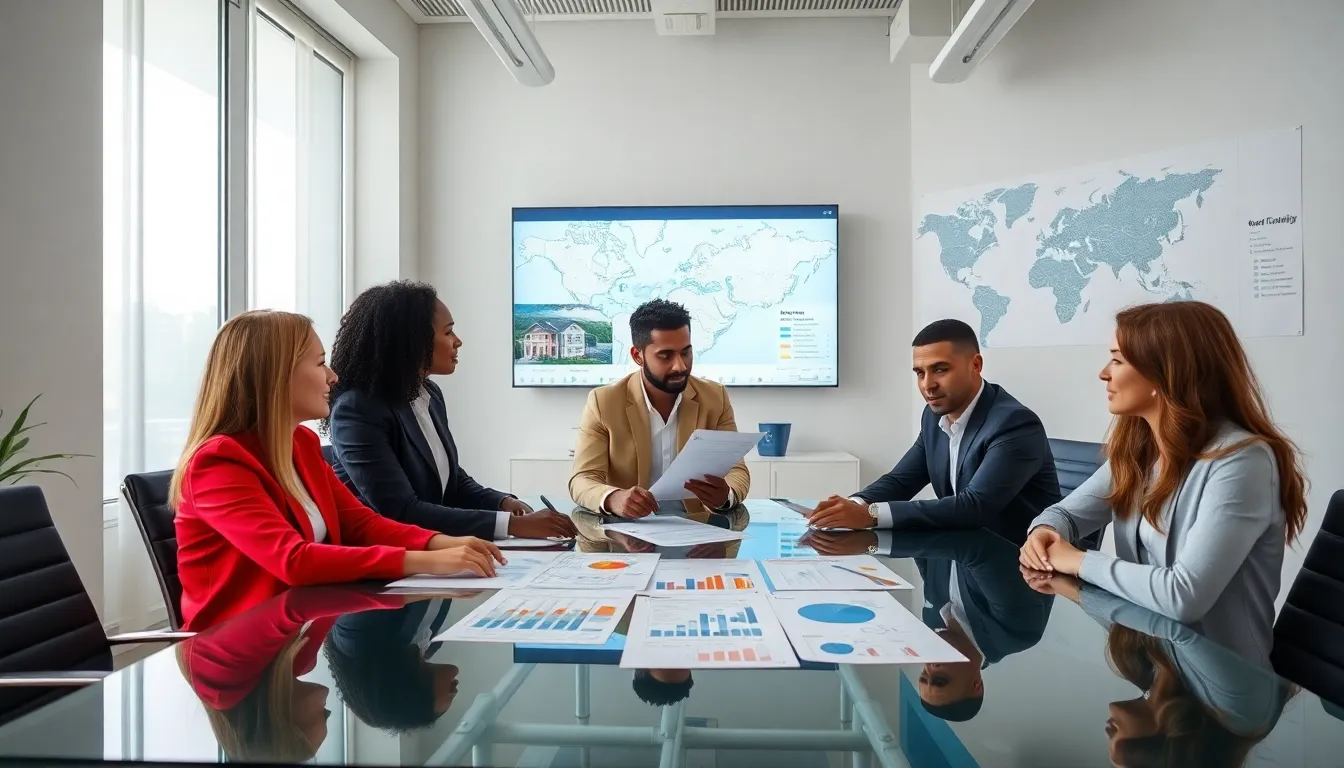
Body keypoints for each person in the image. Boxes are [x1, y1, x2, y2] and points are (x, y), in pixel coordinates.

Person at [172, 310, 506, 631]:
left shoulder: (300, 444)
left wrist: (441, 542)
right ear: (274, 376)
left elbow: (360, 523)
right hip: (234, 654)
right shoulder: (218, 463)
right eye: (320, 364)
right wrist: (428, 562)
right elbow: (293, 561)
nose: (333, 376)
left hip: (296, 638)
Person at [1020, 301, 1307, 667]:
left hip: (1225, 695)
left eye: (1117, 360)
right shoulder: (1140, 449)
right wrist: (1044, 531)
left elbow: (1183, 596)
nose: (1103, 374)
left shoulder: (1241, 463)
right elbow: (1066, 514)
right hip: (1160, 667)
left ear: (1164, 374)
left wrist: (1076, 560)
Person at [325, 281, 576, 541]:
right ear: (412, 340)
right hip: (385, 561)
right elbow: (400, 511)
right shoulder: (357, 410)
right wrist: (509, 526)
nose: (458, 342)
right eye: (448, 333)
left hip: (432, 551)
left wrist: (501, 503)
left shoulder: (428, 394)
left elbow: (451, 481)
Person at [808, 319, 1060, 545]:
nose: (928, 385)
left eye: (940, 369)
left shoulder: (1014, 423)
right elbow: (902, 480)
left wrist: (870, 515)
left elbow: (975, 507)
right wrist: (852, 505)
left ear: (976, 364)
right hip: (960, 557)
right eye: (920, 373)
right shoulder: (934, 417)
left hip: (1014, 569)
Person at [806, 528, 1052, 722]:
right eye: (941, 679)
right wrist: (871, 541)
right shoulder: (1015, 631)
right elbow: (977, 545)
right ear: (976, 685)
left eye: (925, 675)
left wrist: (849, 529)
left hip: (959, 491)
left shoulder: (934, 622)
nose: (930, 666)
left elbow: (922, 550)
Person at [176, 587, 412, 762]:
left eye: (325, 713)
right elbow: (343, 593)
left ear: (283, 723)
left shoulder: (217, 682)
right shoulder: (299, 663)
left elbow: (302, 601)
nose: (329, 702)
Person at [569, 299, 750, 519]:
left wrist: (725, 495)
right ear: (638, 356)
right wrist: (613, 497)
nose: (680, 366)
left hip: (698, 529)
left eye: (685, 353)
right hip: (628, 535)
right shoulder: (604, 402)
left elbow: (736, 470)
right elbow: (582, 479)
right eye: (665, 355)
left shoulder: (715, 397)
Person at [324, 597, 463, 733]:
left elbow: (371, 587)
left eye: (451, 695)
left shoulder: (355, 640)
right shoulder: (428, 646)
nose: (455, 691)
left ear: (409, 694)